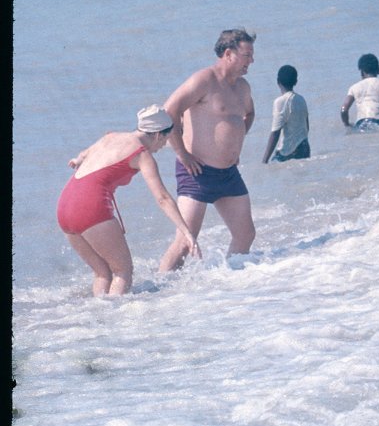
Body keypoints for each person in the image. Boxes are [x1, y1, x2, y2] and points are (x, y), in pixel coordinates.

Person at [57, 105, 201, 295]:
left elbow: (84, 154)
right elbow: (163, 198)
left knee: (102, 273)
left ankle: (96, 319)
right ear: (158, 135)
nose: (164, 145)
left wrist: (77, 160)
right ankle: (115, 323)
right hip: (89, 208)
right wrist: (186, 232)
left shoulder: (110, 137)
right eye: (166, 139)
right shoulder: (142, 154)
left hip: (64, 206)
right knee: (122, 272)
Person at [159, 29, 256, 272]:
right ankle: (157, 294)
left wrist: (235, 143)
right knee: (184, 242)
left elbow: (249, 113)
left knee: (245, 235)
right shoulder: (204, 80)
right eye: (247, 55)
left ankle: (226, 284)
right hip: (197, 173)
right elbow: (169, 111)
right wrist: (182, 154)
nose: (251, 61)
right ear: (228, 53)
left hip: (229, 174)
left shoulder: (243, 87)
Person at [262, 64, 310, 163]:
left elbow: (275, 132)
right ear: (296, 82)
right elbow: (306, 126)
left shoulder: (280, 102)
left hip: (289, 152)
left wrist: (264, 160)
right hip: (304, 148)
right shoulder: (301, 99)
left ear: (278, 82)